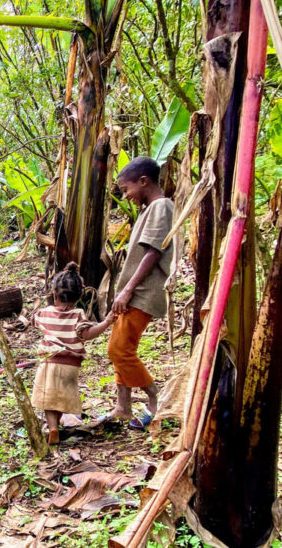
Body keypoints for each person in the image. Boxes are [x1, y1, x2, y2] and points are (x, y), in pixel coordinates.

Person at [106, 156, 174, 429]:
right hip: (132, 292)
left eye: (126, 189)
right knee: (120, 348)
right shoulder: (149, 209)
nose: (126, 196)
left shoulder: (161, 207)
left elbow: (154, 252)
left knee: (120, 349)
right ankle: (123, 407)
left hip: (144, 292)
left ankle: (157, 399)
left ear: (144, 181)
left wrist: (127, 291)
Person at [31, 263, 116, 445]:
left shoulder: (44, 313)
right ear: (79, 296)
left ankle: (53, 426)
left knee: (49, 399)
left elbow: (33, 321)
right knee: (60, 398)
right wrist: (106, 322)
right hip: (70, 366)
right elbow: (87, 334)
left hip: (49, 363)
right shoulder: (78, 314)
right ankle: (56, 427)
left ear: (54, 294)